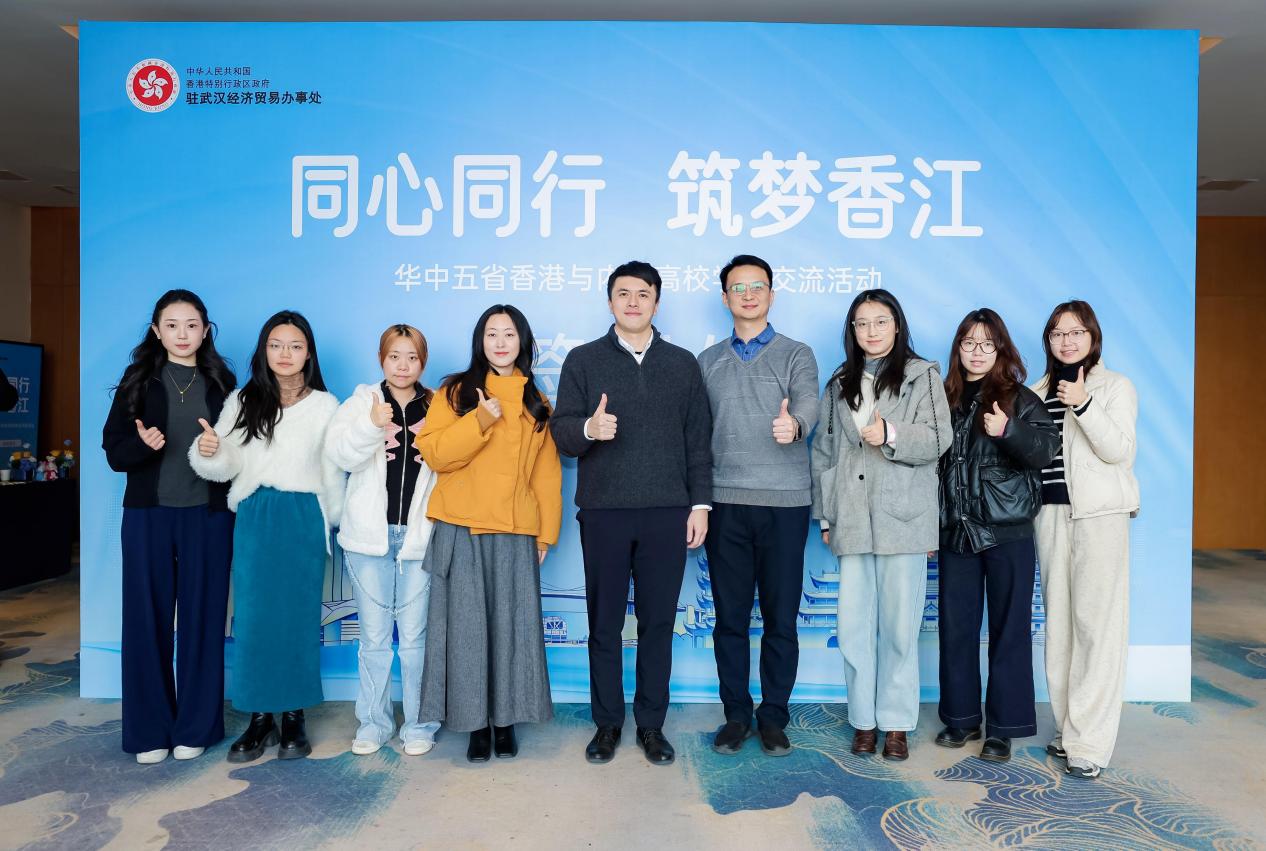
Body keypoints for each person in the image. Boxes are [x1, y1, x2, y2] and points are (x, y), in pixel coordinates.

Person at [552, 260, 713, 767]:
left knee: (658, 623)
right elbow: (561, 431)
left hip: (667, 513)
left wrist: (700, 506)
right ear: (610, 302)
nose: (633, 302)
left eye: (643, 294)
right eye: (623, 293)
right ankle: (606, 724)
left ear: (656, 303)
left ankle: (651, 725)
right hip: (605, 513)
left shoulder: (682, 363)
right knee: (603, 624)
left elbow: (698, 441)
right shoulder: (583, 360)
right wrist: (588, 430)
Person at [189, 310, 343, 763]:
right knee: (254, 618)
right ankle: (259, 717)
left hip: (303, 515)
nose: (285, 354)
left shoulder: (325, 406)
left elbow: (332, 471)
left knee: (297, 617)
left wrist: (333, 521)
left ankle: (294, 715)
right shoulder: (242, 400)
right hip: (256, 512)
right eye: (276, 345)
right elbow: (225, 463)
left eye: (295, 346)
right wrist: (209, 449)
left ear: (309, 353)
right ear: (264, 351)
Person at [415, 305, 561, 763]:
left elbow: (546, 474)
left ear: (523, 341)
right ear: (480, 341)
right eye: (491, 334)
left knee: (512, 631)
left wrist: (545, 535)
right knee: (465, 631)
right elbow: (436, 454)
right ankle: (474, 725)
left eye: (509, 334)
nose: (500, 342)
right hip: (463, 527)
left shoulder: (537, 399)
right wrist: (478, 420)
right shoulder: (454, 391)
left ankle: (505, 721)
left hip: (515, 530)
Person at [810, 288, 950, 761]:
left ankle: (895, 724)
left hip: (903, 518)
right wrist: (825, 514)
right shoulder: (839, 382)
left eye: (880, 321)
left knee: (898, 628)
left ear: (897, 325)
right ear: (852, 330)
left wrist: (890, 433)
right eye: (862, 323)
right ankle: (863, 722)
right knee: (853, 628)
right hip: (850, 517)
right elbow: (824, 453)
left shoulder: (921, 375)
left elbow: (939, 439)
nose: (871, 331)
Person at [101, 290, 237, 764]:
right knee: (146, 621)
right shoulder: (138, 382)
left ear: (206, 330)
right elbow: (115, 453)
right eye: (172, 325)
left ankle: (196, 727)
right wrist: (143, 446)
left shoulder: (223, 383)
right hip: (148, 516)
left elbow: (242, 452)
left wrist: (220, 449)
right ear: (157, 331)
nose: (183, 334)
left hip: (208, 517)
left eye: (192, 324)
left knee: (203, 620)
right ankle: (149, 731)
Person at [697, 254, 818, 757]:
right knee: (729, 619)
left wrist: (796, 425)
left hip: (785, 504)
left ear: (772, 293)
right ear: (725, 297)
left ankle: (773, 717)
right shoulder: (707, 361)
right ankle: (736, 715)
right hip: (725, 501)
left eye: (757, 286)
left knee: (780, 620)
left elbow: (808, 403)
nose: (748, 295)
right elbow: (695, 433)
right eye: (738, 287)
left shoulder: (797, 354)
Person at [935, 309, 1058, 762]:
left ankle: (1003, 728)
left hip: (1008, 532)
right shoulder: (942, 397)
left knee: (1009, 630)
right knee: (956, 628)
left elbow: (1046, 450)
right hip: (957, 531)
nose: (977, 352)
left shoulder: (1019, 398)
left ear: (1001, 349)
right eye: (969, 342)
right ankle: (961, 719)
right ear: (958, 348)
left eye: (987, 343)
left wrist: (1009, 430)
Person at [1032, 300, 1138, 780]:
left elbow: (1119, 451)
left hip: (1099, 516)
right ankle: (1067, 728)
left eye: (1076, 332)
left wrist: (1085, 404)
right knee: (1060, 627)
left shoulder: (1114, 387)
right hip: (1049, 515)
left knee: (1097, 627)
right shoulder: (1037, 391)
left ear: (1093, 337)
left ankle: (1089, 743)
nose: (1067, 341)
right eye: (1057, 333)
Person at [325, 324, 440, 757]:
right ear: (381, 359)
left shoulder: (438, 405)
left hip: (419, 537)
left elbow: (451, 464)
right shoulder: (362, 402)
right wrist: (372, 426)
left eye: (412, 357)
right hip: (368, 538)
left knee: (415, 640)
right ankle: (373, 723)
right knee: (373, 640)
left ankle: (419, 724)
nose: (403, 365)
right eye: (395, 356)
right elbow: (341, 455)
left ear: (422, 362)